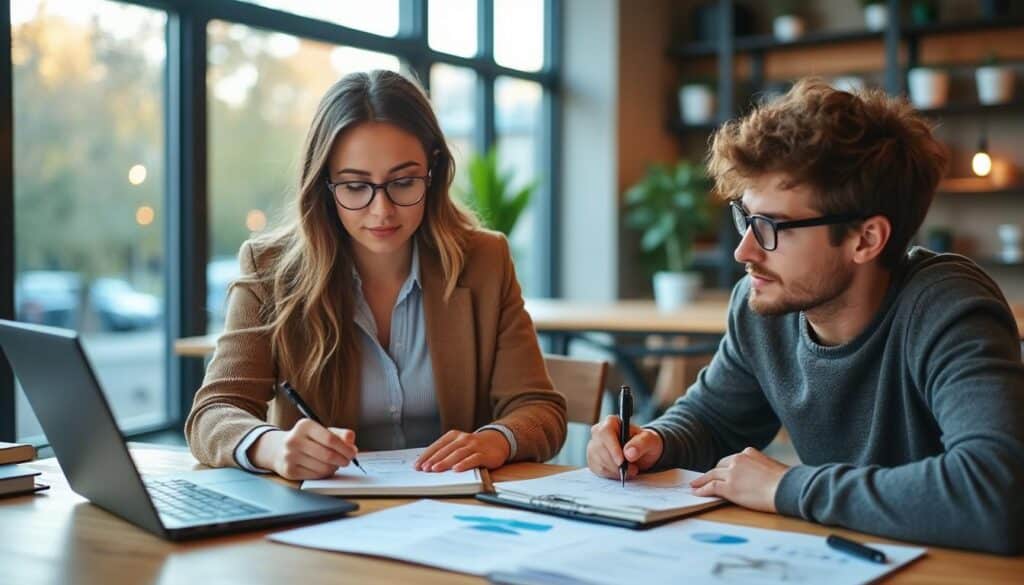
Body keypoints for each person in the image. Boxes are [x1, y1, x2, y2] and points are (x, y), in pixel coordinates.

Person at [587, 79, 1024, 554]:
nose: (744, 250)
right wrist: (652, 441)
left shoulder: (947, 306)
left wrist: (786, 488)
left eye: (772, 226)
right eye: (745, 218)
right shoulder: (763, 305)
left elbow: (995, 493)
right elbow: (716, 419)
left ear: (866, 239)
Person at [186, 70, 566, 480]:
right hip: (326, 518)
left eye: (403, 182)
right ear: (324, 185)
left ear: (433, 172)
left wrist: (495, 439)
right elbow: (213, 413)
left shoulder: (485, 260)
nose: (381, 210)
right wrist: (272, 446)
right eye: (354, 187)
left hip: (456, 511)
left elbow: (539, 408)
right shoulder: (270, 270)